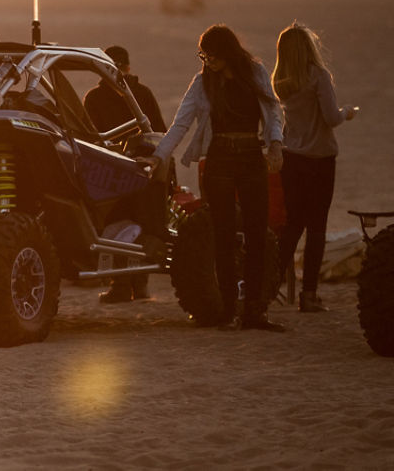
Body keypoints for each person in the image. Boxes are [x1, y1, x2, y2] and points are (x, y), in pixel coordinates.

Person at [153, 24, 285, 331]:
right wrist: (159, 156)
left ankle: (254, 311)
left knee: (256, 234)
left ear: (228, 52)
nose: (207, 60)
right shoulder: (202, 84)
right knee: (223, 237)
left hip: (252, 156)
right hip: (220, 160)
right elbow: (180, 124)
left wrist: (276, 144)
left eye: (212, 54)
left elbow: (272, 110)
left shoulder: (255, 74)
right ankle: (227, 311)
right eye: (203, 55)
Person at [272, 24, 358, 313]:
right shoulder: (318, 76)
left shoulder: (281, 81)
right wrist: (348, 112)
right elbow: (331, 118)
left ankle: (268, 289)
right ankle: (309, 295)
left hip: (291, 158)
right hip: (319, 159)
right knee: (316, 228)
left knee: (292, 225)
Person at [85, 45, 167, 304]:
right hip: (108, 172)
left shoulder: (141, 94)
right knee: (118, 225)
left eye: (121, 66)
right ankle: (122, 284)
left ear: (128, 68)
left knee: (136, 223)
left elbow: (159, 133)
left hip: (138, 170)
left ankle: (137, 283)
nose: (117, 71)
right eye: (113, 66)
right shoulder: (95, 98)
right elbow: (88, 136)